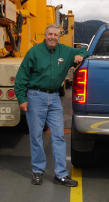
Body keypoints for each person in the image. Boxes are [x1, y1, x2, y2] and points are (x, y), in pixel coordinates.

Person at [14, 24, 90, 187]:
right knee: (36, 136)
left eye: (56, 35)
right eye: (50, 34)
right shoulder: (34, 52)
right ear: (45, 35)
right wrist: (22, 98)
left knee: (59, 136)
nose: (53, 37)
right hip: (35, 96)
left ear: (59, 37)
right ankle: (37, 171)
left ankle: (61, 174)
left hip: (54, 98)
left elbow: (86, 51)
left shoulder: (65, 51)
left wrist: (80, 55)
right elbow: (21, 77)